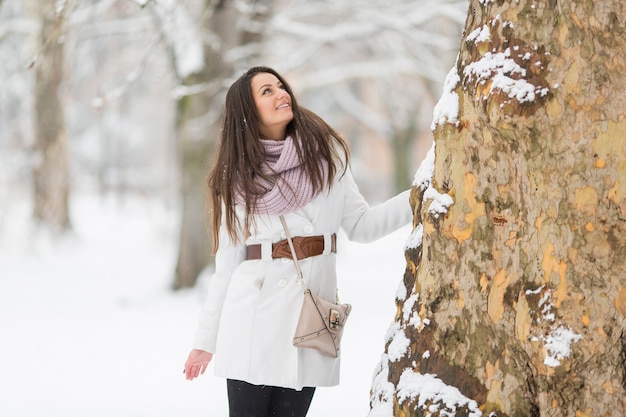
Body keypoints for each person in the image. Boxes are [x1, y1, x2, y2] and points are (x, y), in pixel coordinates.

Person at [183, 66, 413, 417]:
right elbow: (226, 265)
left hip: (310, 319)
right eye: (266, 91)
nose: (281, 93)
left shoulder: (328, 155)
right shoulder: (235, 175)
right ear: (247, 111)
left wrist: (423, 194)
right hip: (251, 321)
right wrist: (204, 341)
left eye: (280, 86)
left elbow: (363, 226)